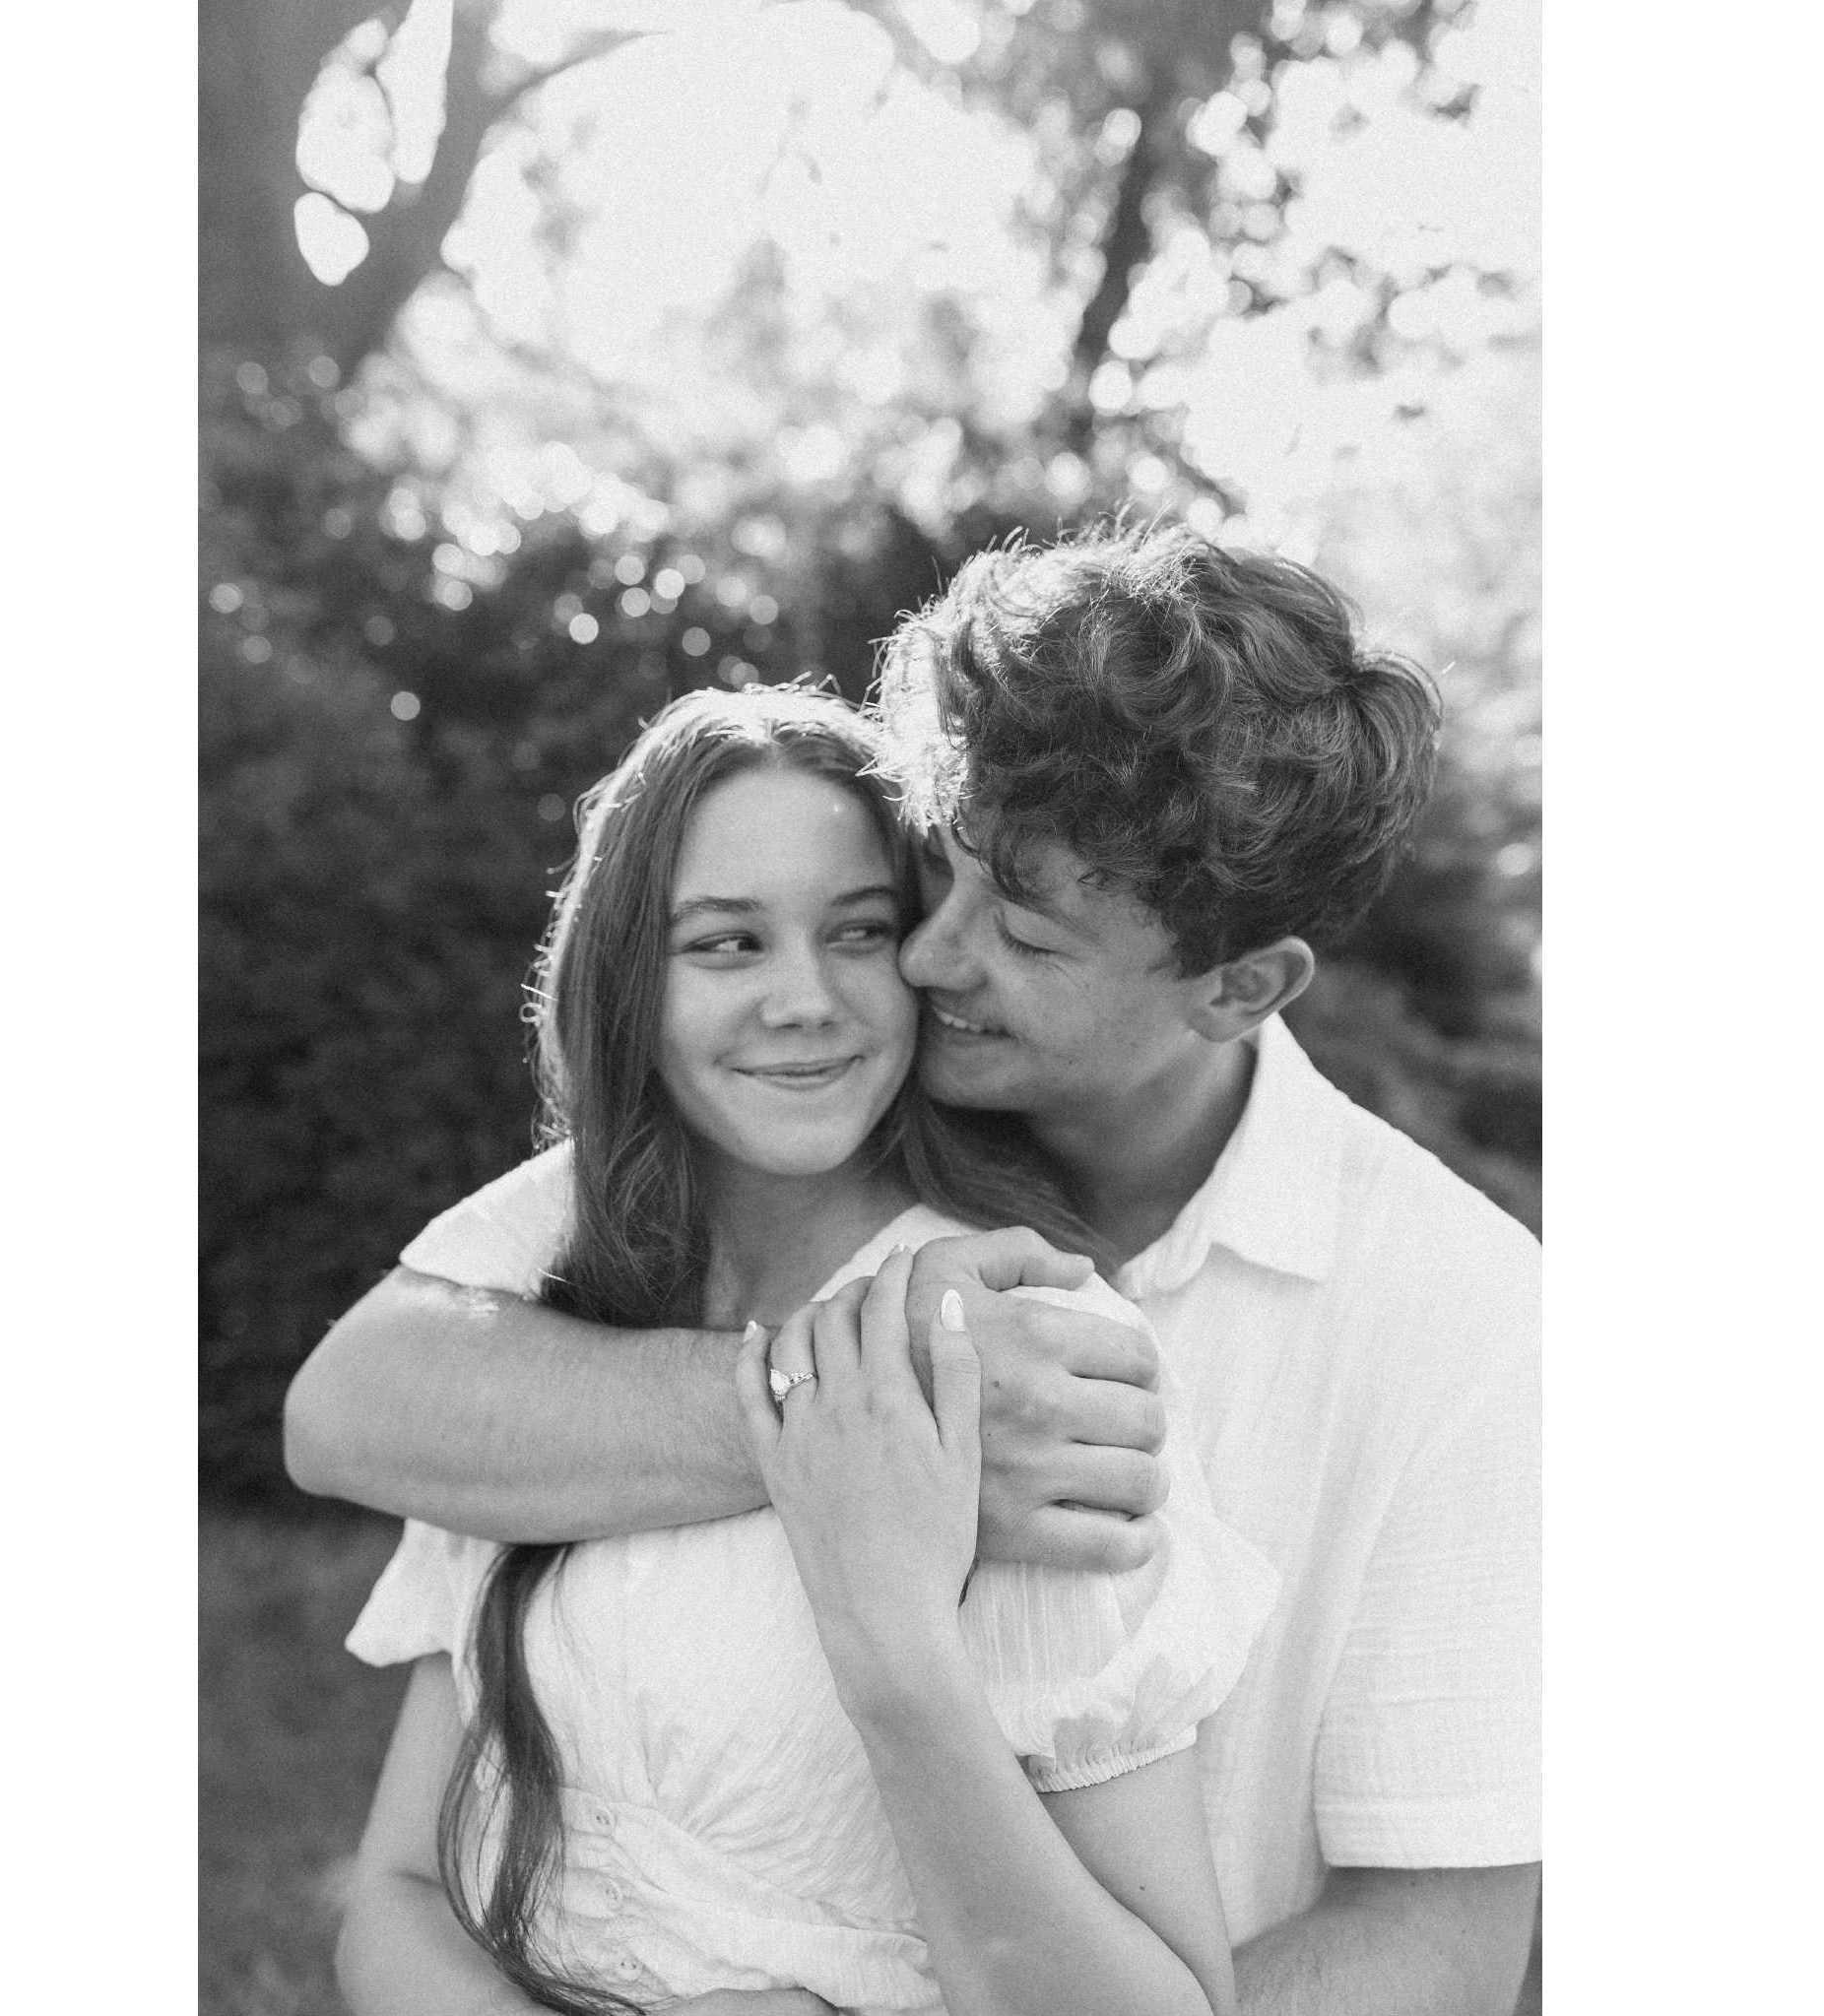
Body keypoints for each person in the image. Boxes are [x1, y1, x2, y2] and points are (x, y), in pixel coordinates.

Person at [290, 524, 1543, 2014]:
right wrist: (855, 1414)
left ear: (1238, 988)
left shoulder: (1465, 1322)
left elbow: (1436, 1957)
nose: (931, 959)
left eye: (1025, 935)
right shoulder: (799, 1125)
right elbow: (360, 1402)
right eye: (937, 875)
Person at [333, 683, 1278, 2015]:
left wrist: (896, 1650)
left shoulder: (1022, 1362)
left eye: (860, 933)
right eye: (728, 943)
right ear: (628, 977)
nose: (807, 1001)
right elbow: (401, 1890)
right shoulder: (552, 1309)